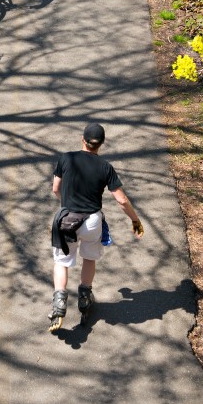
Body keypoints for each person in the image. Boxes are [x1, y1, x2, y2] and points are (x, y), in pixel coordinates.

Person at [49, 123, 145, 331]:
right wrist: (135, 220)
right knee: (89, 258)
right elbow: (121, 200)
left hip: (67, 219)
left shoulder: (66, 158)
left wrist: (65, 203)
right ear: (101, 144)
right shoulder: (105, 167)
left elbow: (56, 188)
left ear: (82, 139)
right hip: (92, 222)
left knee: (61, 261)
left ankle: (59, 302)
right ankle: (84, 297)